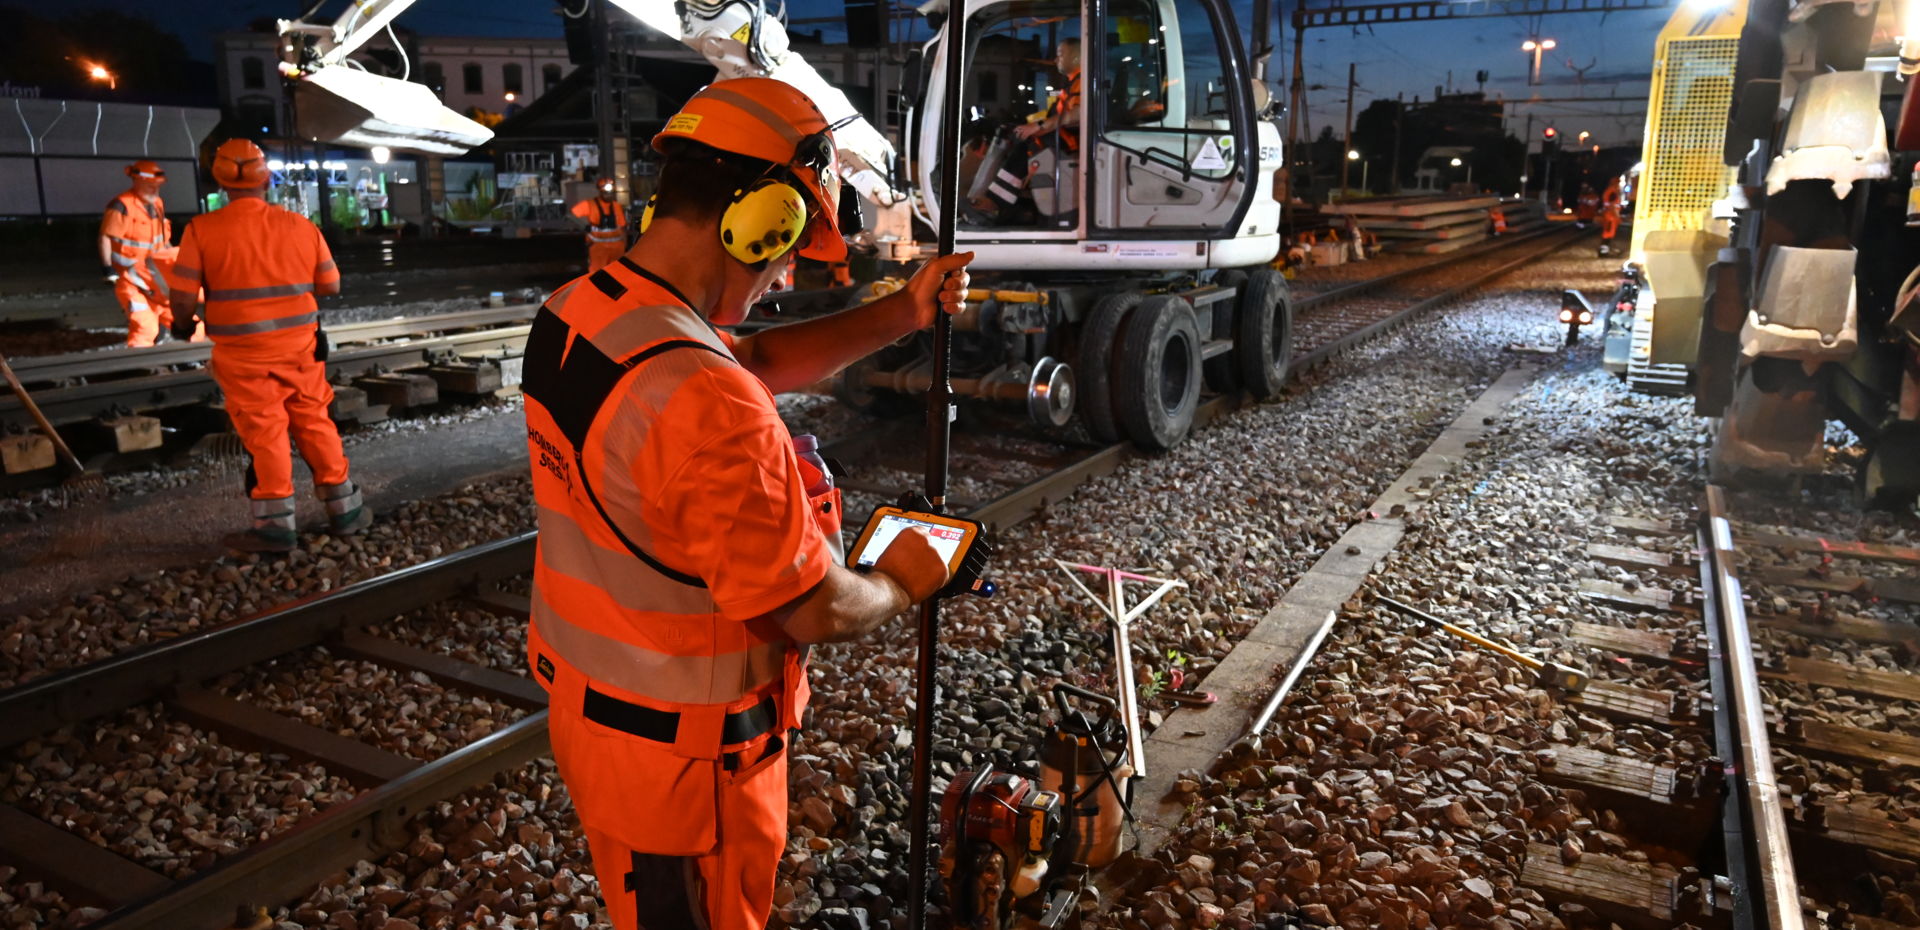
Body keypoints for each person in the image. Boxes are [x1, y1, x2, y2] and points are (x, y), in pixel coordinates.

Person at [520, 76, 973, 930]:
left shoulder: (582, 313)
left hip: (601, 721)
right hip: (690, 773)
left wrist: (904, 313)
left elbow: (750, 360)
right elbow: (811, 607)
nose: (785, 268)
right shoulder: (707, 401)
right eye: (790, 242)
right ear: (761, 217)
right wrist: (904, 580)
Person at [169, 139, 371, 552]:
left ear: (220, 182)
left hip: (243, 355)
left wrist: (182, 325)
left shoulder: (201, 230)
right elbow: (330, 285)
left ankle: (276, 527)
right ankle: (346, 511)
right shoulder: (299, 226)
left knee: (266, 430)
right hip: (300, 350)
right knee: (313, 420)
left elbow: (183, 297)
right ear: (267, 180)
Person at [101, 159, 195, 346]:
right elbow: (105, 238)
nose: (155, 189)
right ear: (137, 182)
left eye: (157, 186)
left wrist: (175, 260)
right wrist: (108, 269)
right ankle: (142, 357)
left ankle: (192, 355)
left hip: (155, 277)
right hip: (131, 278)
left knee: (191, 327)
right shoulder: (122, 205)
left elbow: (161, 240)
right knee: (145, 328)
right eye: (150, 186)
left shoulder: (157, 203)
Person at [571, 176, 628, 273]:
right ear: (600, 192)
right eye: (606, 193)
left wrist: (625, 245)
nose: (609, 195)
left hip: (617, 248)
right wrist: (584, 226)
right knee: (597, 274)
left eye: (611, 193)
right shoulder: (590, 204)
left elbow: (622, 227)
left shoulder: (616, 206)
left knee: (617, 273)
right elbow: (572, 215)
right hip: (598, 248)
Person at [1598, 177, 1624, 256]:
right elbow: (1612, 206)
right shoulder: (1612, 192)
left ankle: (1605, 250)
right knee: (1607, 234)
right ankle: (1603, 252)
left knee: (1608, 234)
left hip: (1608, 216)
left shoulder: (1609, 191)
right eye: (1618, 183)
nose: (1619, 185)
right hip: (1611, 217)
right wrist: (1618, 216)